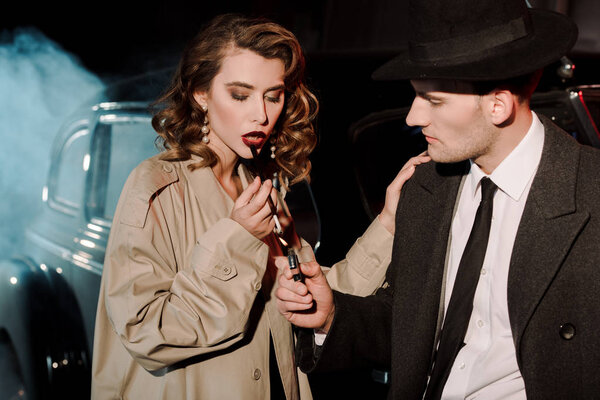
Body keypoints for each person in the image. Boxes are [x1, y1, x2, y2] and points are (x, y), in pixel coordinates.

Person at [91, 13, 429, 400]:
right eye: (240, 95)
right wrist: (238, 238)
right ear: (201, 94)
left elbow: (308, 298)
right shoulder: (156, 187)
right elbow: (148, 331)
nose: (262, 114)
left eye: (273, 95)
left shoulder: (262, 191)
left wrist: (388, 221)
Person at [276, 0, 600, 399]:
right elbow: (409, 322)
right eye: (416, 96)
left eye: (433, 100)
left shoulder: (591, 193)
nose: (413, 117)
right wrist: (332, 317)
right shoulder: (425, 188)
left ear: (497, 105)